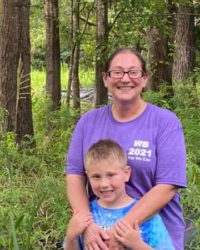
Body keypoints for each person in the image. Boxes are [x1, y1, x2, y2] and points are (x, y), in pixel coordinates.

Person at [65, 48, 186, 250]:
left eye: (133, 72)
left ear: (145, 79)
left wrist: (120, 231)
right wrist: (87, 226)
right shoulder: (88, 122)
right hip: (99, 236)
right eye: (117, 72)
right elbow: (75, 176)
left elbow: (168, 186)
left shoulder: (165, 122)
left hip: (153, 237)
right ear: (106, 79)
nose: (125, 78)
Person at [64, 139, 174, 250]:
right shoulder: (86, 216)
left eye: (111, 175)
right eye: (96, 176)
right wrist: (71, 237)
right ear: (88, 176)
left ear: (126, 173)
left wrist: (137, 245)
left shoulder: (146, 216)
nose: (104, 184)